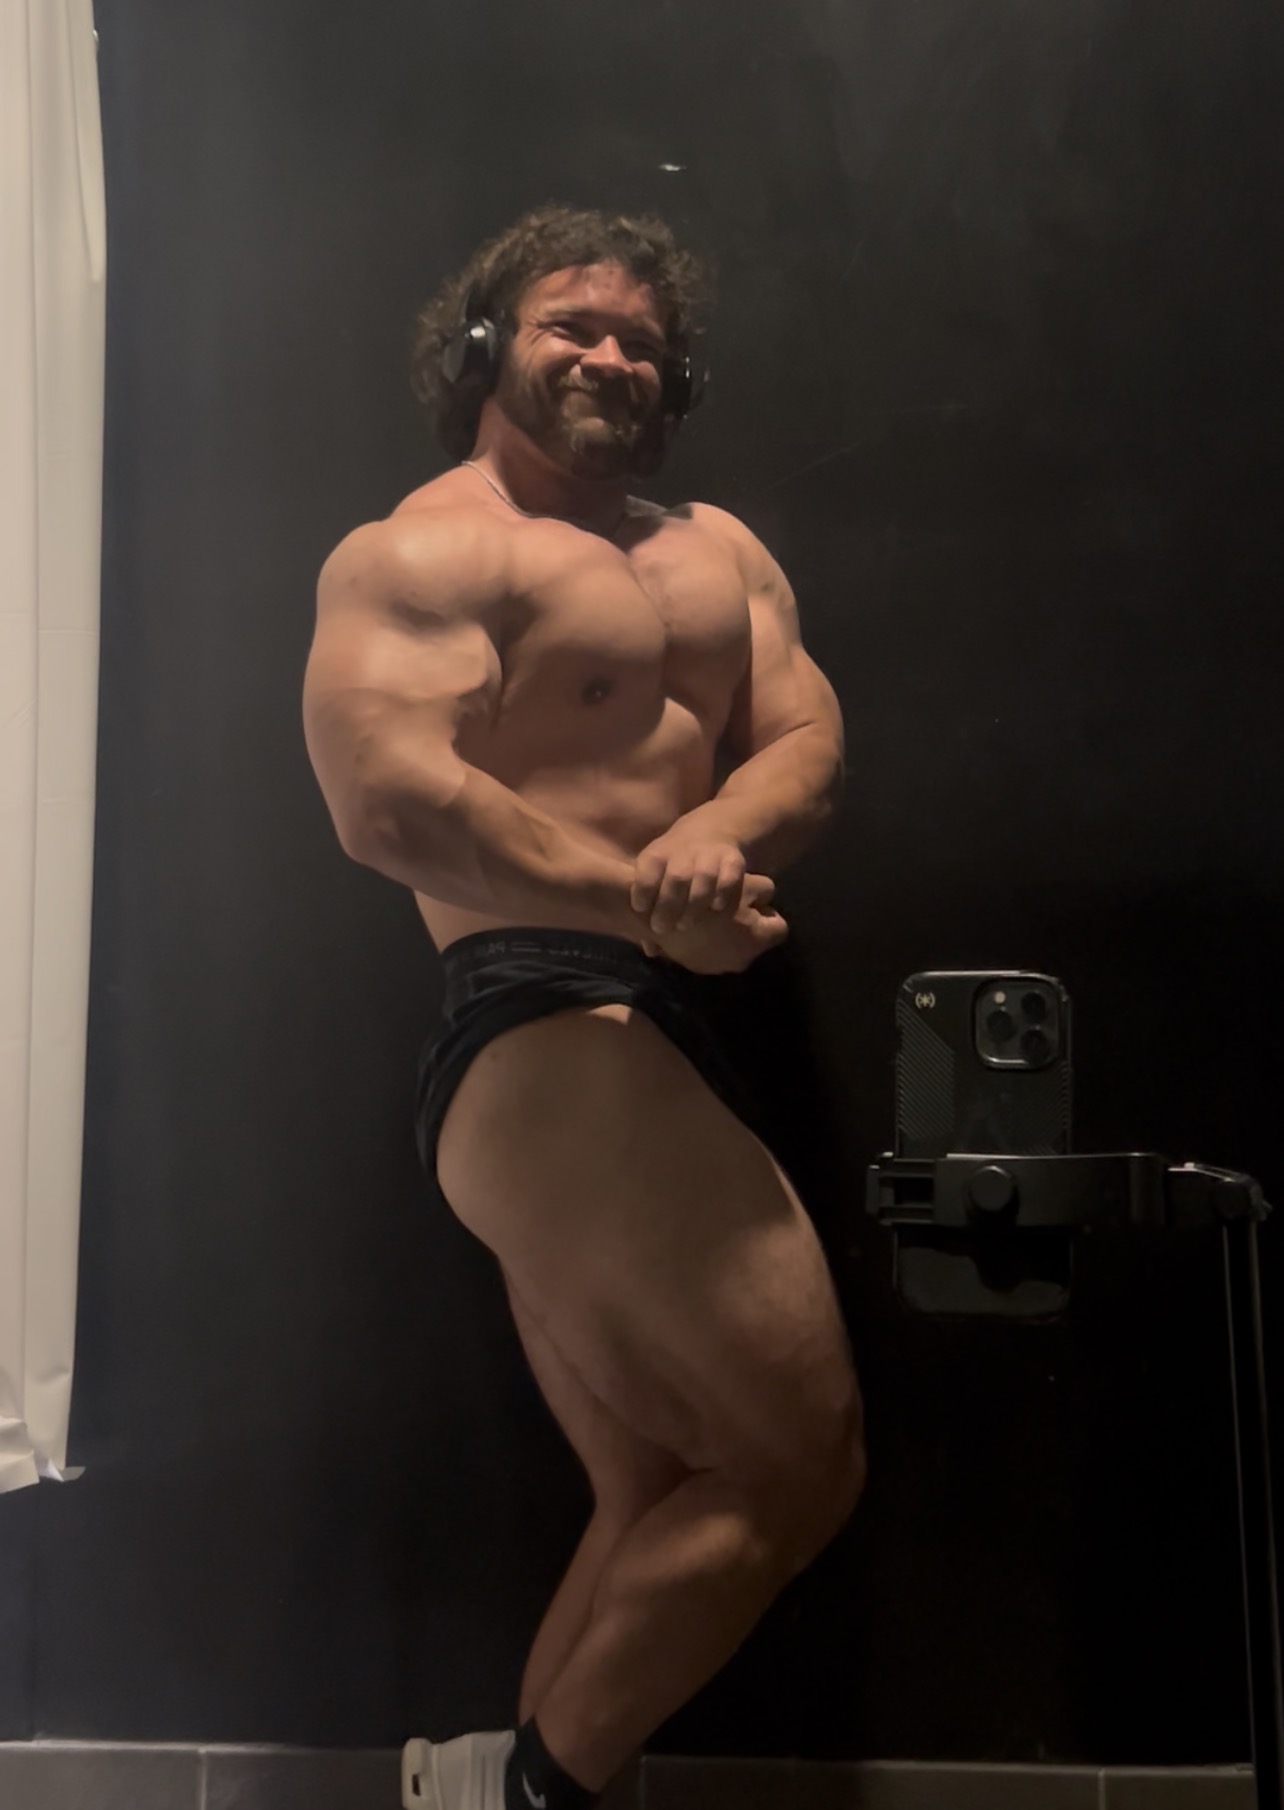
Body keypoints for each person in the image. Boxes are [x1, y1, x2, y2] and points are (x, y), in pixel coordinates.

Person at [303, 204, 866, 1810]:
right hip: (539, 1017)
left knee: (665, 1481)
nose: (611, 355)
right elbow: (385, 798)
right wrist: (642, 900)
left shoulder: (719, 549)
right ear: (487, 343)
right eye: (573, 325)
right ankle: (536, 1792)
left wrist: (712, 839)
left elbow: (805, 738)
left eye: (641, 340)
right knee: (799, 1466)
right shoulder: (429, 548)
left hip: (642, 1022)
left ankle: (481, 1787)